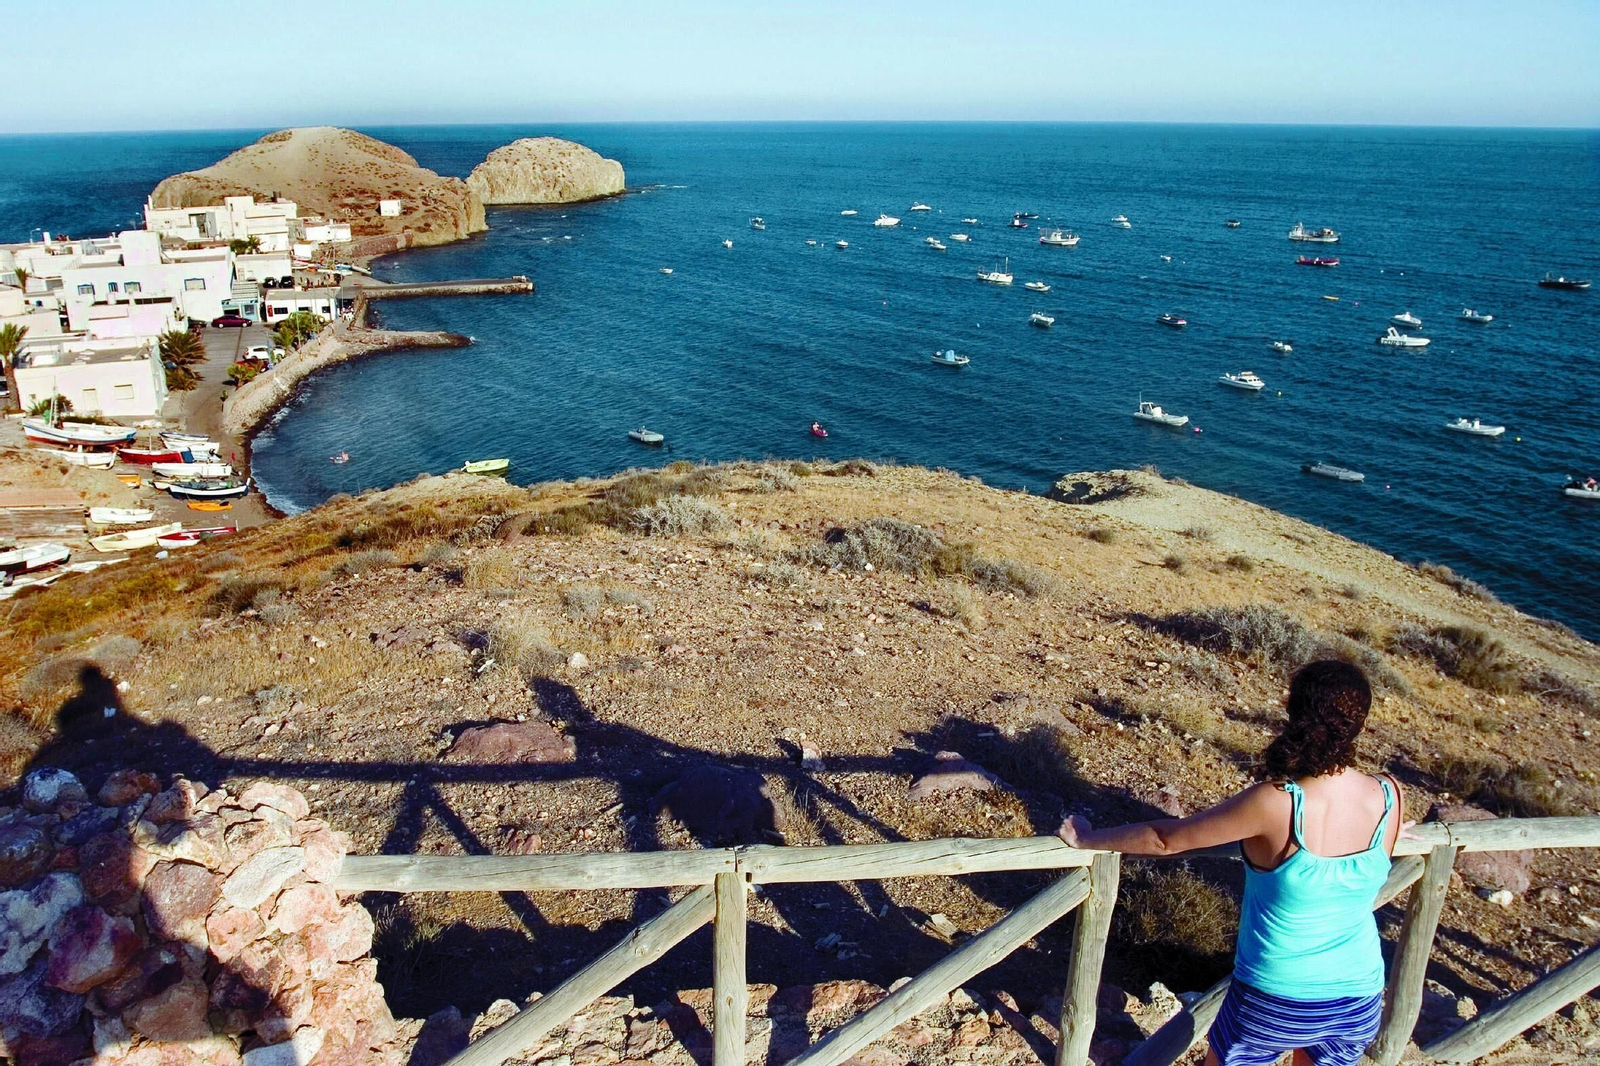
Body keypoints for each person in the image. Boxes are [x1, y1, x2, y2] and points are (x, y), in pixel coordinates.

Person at [1056, 660, 1405, 1066]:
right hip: (1358, 994)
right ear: (1358, 723)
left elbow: (1166, 839)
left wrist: (1087, 838)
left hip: (1275, 994)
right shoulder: (1388, 795)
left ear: (1295, 714)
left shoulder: (1278, 802)